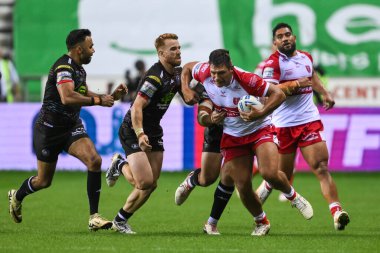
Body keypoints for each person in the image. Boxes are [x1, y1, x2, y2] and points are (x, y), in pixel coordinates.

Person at [179, 49, 314, 236]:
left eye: (221, 73)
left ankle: (293, 196)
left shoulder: (247, 79)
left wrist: (261, 112)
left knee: (269, 173)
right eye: (213, 73)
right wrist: (186, 88)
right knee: (242, 185)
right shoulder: (203, 72)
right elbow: (186, 68)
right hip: (233, 136)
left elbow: (278, 94)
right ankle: (262, 222)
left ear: (231, 69)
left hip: (259, 130)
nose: (216, 77)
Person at [7, 29, 128, 231]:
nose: (94, 50)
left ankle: (94, 217)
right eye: (91, 47)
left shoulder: (79, 69)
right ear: (79, 49)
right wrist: (98, 100)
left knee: (94, 160)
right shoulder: (63, 67)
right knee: (43, 181)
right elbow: (67, 97)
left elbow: (82, 92)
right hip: (49, 131)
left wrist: (109, 97)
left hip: (71, 127)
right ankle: (17, 196)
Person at [257, 23, 350, 231]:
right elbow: (268, 91)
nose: (285, 38)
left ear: (295, 37)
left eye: (288, 35)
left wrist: (324, 92)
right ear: (275, 43)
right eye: (280, 37)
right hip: (283, 126)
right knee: (282, 175)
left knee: (321, 167)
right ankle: (267, 186)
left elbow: (312, 77)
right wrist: (295, 84)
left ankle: (337, 212)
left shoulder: (306, 57)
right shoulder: (273, 64)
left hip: (308, 122)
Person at [105, 33, 185, 234]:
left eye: (179, 47)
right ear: (161, 53)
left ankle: (120, 220)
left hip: (154, 129)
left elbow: (189, 98)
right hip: (133, 129)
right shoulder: (154, 77)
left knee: (151, 185)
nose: (178, 51)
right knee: (144, 182)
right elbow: (136, 107)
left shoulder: (177, 74)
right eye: (173, 49)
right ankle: (120, 164)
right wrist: (140, 134)